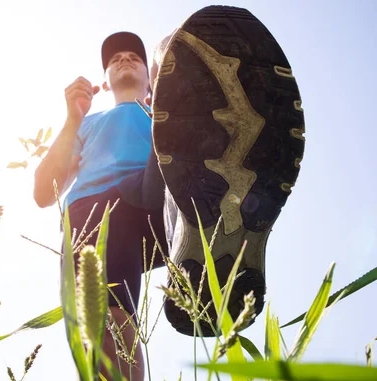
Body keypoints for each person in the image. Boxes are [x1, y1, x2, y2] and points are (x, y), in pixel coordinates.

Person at [34, 5, 305, 380]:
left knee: (174, 85)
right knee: (106, 316)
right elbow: (43, 191)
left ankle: (205, 229)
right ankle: (201, 241)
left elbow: (172, 124)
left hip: (156, 191)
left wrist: (170, 78)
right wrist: (73, 116)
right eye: (115, 59)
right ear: (105, 81)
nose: (125, 59)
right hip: (94, 211)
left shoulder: (163, 118)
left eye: (134, 58)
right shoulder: (90, 123)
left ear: (150, 80)